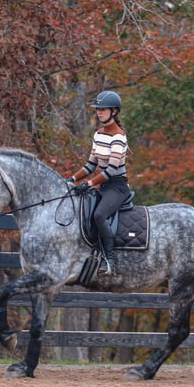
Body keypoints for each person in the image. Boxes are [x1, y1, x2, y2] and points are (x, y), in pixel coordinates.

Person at [66, 90, 130, 276]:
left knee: (99, 215)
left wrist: (88, 184)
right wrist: (72, 179)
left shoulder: (118, 136)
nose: (99, 112)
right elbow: (90, 165)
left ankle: (109, 260)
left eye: (103, 109)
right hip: (103, 185)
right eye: (98, 109)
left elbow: (111, 170)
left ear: (114, 112)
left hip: (117, 186)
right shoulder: (98, 134)